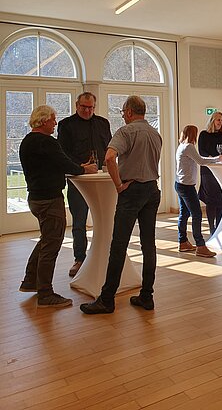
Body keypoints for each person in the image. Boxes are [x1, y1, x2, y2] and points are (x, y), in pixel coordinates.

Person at [80, 95, 162, 314]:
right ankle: (147, 295)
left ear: (128, 111)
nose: (123, 116)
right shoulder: (155, 134)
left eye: (123, 112)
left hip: (132, 191)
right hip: (152, 190)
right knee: (148, 244)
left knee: (118, 245)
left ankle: (107, 299)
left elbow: (109, 157)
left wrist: (118, 185)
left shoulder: (125, 132)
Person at [19, 105, 98, 308]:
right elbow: (67, 165)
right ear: (44, 121)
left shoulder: (27, 141)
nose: (55, 123)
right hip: (49, 200)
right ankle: (45, 293)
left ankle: (30, 281)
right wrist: (85, 169)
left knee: (46, 239)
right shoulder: (47, 143)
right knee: (51, 246)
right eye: (53, 119)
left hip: (35, 198)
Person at [58, 92, 112, 277]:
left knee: (105, 220)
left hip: (102, 179)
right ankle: (79, 258)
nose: (88, 110)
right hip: (78, 180)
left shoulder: (103, 123)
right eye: (84, 107)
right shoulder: (66, 125)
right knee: (79, 222)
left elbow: (109, 148)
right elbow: (63, 153)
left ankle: (105, 255)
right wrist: (81, 167)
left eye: (91, 107)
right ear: (76, 105)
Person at [175, 125, 222, 257]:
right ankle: (200, 245)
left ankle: (183, 242)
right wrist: (217, 159)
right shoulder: (189, 147)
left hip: (180, 184)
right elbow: (201, 161)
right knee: (196, 214)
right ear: (193, 135)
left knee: (184, 214)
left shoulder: (181, 146)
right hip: (186, 186)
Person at [198, 111, 222, 234]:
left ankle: (219, 226)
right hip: (208, 171)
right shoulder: (204, 134)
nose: (220, 122)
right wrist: (215, 159)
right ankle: (212, 227)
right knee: (211, 199)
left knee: (221, 198)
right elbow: (202, 152)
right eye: (218, 120)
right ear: (212, 120)